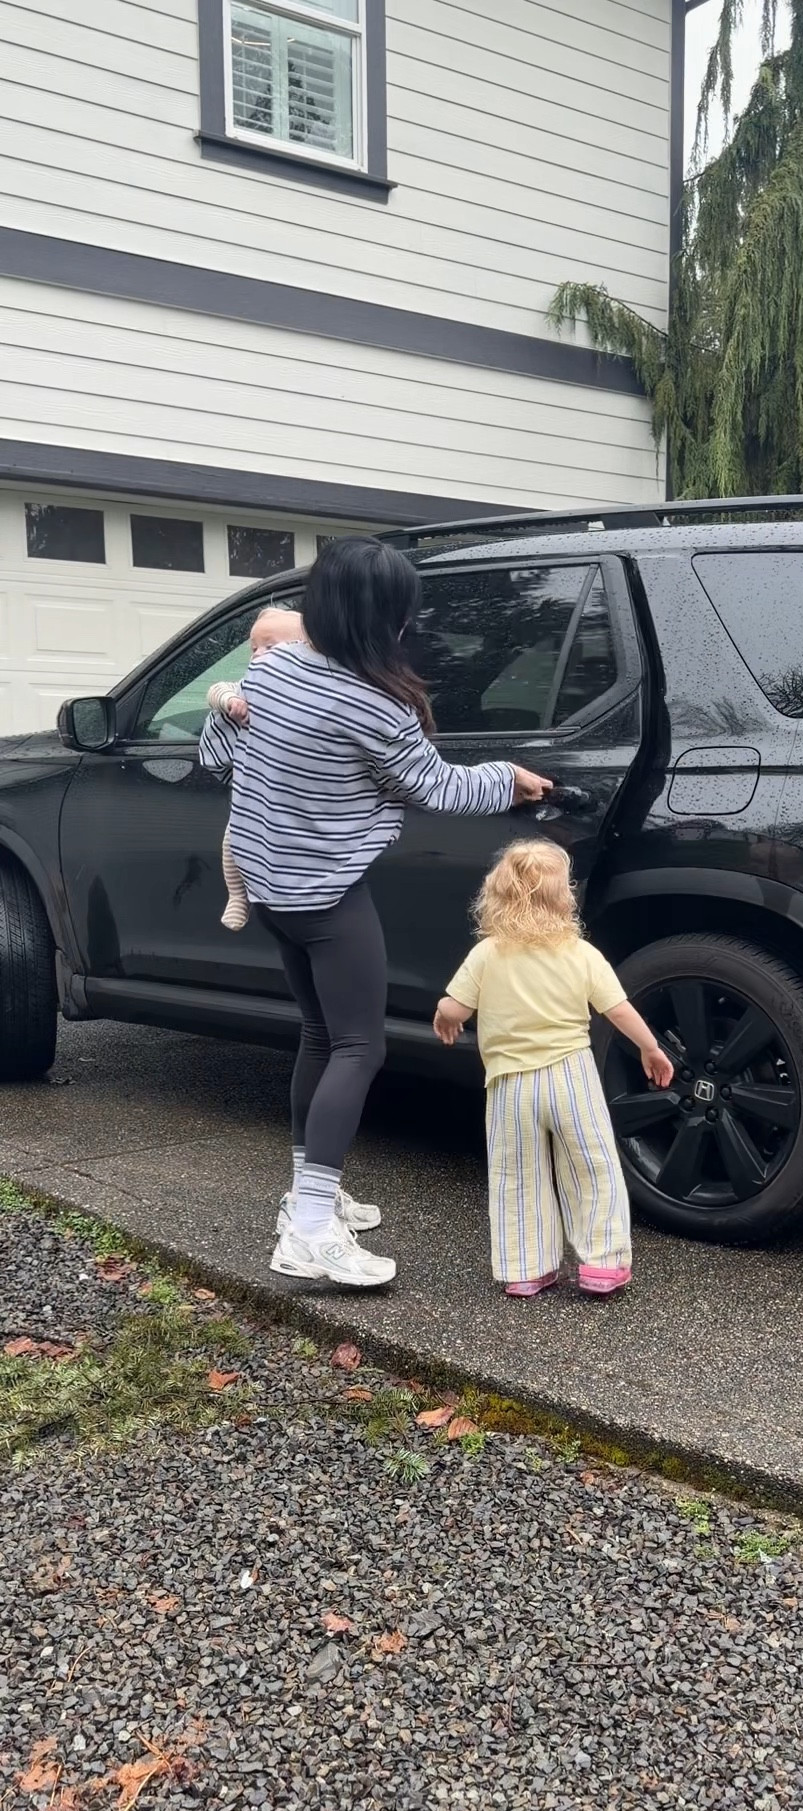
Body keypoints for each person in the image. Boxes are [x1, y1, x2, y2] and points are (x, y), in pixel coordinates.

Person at [199, 538, 549, 1291]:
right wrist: (511, 780)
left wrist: (229, 709)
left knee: (322, 1035)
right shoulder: (374, 704)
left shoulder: (274, 669)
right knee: (361, 1047)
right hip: (325, 897)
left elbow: (217, 755)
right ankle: (310, 1230)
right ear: (388, 618)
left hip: (267, 886)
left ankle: (308, 1197)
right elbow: (438, 787)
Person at [434, 840, 674, 1299]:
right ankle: (602, 1264)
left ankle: (526, 1268)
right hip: (570, 1076)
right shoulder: (580, 953)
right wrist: (650, 1048)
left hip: (510, 1085)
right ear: (564, 898)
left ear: (496, 897)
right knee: (593, 1166)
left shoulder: (488, 954)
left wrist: (445, 1017)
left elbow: (455, 1006)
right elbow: (618, 1009)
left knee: (517, 1175)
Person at [206, 606, 303, 932]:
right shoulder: (246, 688)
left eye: (270, 647)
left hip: (290, 794)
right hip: (251, 791)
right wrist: (230, 702)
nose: (258, 654)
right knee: (235, 838)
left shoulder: (311, 694)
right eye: (254, 648)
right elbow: (215, 690)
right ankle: (237, 895)